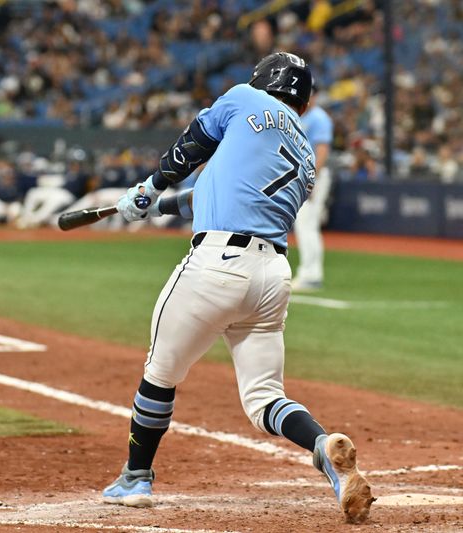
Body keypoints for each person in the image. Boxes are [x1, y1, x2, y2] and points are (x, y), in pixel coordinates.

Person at [102, 52, 374, 524]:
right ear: (304, 102)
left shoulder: (244, 98)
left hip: (216, 264)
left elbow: (193, 143)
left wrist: (148, 185)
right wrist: (157, 204)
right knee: (265, 397)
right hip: (271, 278)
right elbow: (217, 191)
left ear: (262, 79)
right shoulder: (305, 152)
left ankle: (136, 476)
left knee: (161, 370)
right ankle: (321, 445)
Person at [292, 80, 334, 291]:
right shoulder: (300, 115)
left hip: (314, 176)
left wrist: (311, 178)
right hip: (302, 175)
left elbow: (323, 150)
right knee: (305, 225)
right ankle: (310, 272)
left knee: (307, 224)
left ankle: (311, 274)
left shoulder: (318, 117)